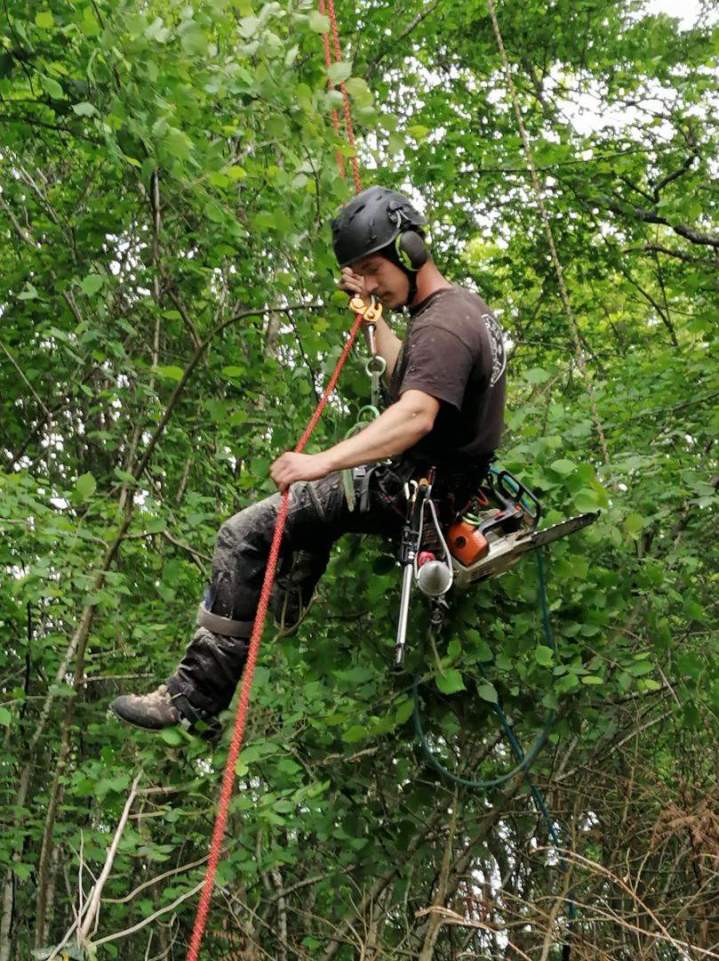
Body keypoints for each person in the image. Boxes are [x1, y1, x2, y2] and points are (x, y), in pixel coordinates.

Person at [111, 185, 506, 731]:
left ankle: (191, 698)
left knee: (242, 534)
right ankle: (303, 561)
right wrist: (375, 321)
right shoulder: (459, 311)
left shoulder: (442, 326)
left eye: (373, 269)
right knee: (317, 512)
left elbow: (416, 414)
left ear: (409, 250)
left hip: (410, 489)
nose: (367, 283)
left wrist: (320, 462)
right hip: (436, 487)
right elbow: (402, 380)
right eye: (358, 274)